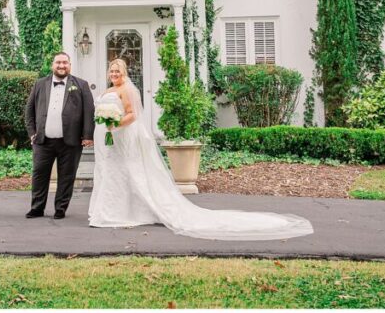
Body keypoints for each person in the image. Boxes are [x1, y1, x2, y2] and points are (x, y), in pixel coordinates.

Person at [88, 58, 314, 241]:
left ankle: (128, 212)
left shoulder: (127, 89)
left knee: (130, 173)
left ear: (124, 71)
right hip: (113, 142)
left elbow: (132, 115)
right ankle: (116, 211)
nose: (114, 74)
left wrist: (114, 124)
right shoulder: (110, 88)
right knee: (116, 174)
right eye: (112, 71)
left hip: (123, 137)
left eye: (117, 71)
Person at [24, 51, 95, 219]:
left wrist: (87, 136)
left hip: (70, 141)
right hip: (43, 140)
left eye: (65, 62)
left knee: (67, 176)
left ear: (69, 65)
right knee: (39, 175)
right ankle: (37, 208)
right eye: (58, 62)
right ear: (52, 65)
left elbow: (88, 111)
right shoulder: (40, 84)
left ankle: (60, 209)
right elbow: (29, 111)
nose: (62, 65)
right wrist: (32, 133)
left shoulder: (81, 85)